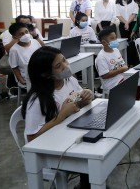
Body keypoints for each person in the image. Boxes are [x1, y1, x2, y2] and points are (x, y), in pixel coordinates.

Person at [21, 46, 93, 188]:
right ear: (46, 74)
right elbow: (31, 138)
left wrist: (86, 98)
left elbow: (78, 103)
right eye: (59, 66)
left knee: (96, 142)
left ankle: (86, 184)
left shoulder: (69, 81)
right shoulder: (37, 100)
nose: (66, 66)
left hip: (68, 135)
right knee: (91, 153)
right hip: (50, 149)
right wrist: (61, 115)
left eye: (64, 60)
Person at [8, 22, 44, 87]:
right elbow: (14, 67)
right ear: (14, 36)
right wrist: (21, 79)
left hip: (40, 71)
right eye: (21, 34)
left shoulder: (35, 42)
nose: (25, 35)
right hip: (27, 76)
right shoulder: (14, 50)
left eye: (26, 32)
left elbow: (42, 53)